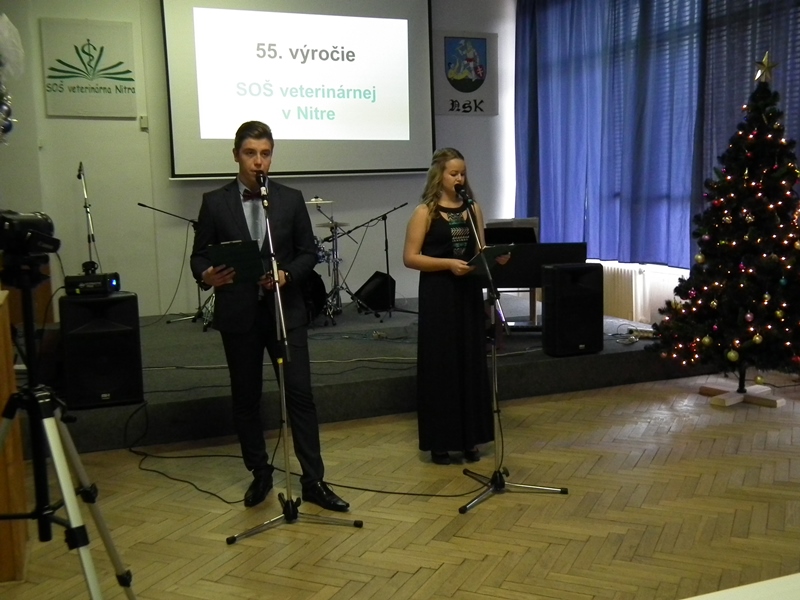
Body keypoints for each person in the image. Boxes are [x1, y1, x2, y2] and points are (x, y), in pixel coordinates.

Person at [190, 121, 349, 511]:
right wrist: (206, 275)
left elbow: (308, 252)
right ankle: (260, 472)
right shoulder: (214, 201)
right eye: (250, 153)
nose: (258, 161)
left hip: (284, 311)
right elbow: (199, 255)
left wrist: (286, 274)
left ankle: (313, 481)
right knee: (246, 398)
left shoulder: (290, 199)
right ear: (236, 155)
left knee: (300, 395)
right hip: (238, 313)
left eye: (265, 154)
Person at [403, 147, 503, 465]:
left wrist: (495, 258)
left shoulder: (473, 209)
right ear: (439, 175)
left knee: (470, 360)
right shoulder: (425, 212)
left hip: (467, 292)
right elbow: (410, 258)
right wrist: (447, 264)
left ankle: (470, 438)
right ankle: (441, 442)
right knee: (442, 364)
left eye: (463, 174)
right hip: (439, 294)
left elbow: (479, 249)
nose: (459, 179)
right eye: (453, 173)